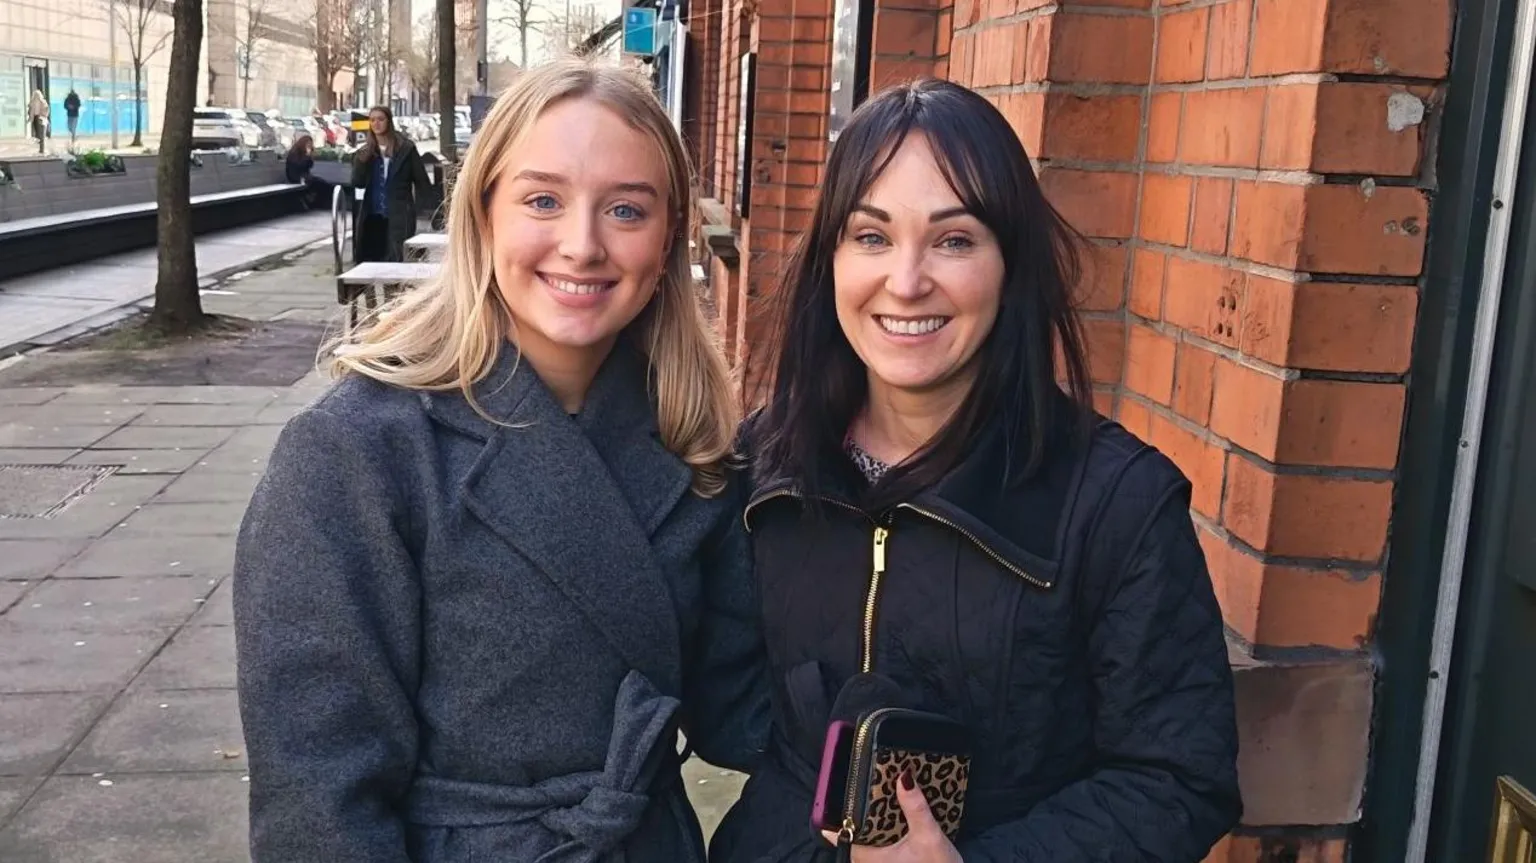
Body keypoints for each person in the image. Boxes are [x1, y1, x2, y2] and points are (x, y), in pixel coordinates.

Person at [233, 58, 768, 862]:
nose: (582, 245)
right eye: (543, 200)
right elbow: (317, 801)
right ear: (483, 215)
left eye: (626, 209)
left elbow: (742, 712)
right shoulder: (356, 453)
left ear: (666, 242)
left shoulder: (694, 446)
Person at [710, 78, 1242, 862]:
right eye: (871, 236)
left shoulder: (1117, 503)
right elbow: (723, 698)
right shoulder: (767, 463)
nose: (906, 281)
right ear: (830, 259)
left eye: (954, 240)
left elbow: (1178, 780)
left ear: (1009, 264)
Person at [350, 105, 432, 263]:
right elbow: (357, 183)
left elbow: (422, 181)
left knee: (396, 260)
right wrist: (360, 161)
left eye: (380, 119)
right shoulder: (366, 152)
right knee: (372, 263)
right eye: (372, 120)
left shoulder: (406, 149)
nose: (376, 123)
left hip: (399, 215)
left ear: (389, 121)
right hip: (373, 216)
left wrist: (422, 211)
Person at [283, 134, 332, 208]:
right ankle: (313, 203)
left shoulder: (304, 153)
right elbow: (299, 166)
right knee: (319, 184)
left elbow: (309, 166)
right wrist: (307, 156)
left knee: (323, 184)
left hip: (304, 176)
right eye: (308, 144)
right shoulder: (294, 153)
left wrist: (309, 156)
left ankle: (317, 203)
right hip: (295, 177)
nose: (310, 146)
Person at [26, 90, 48, 155]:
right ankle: (41, 149)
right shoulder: (37, 102)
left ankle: (41, 149)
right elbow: (30, 111)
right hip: (38, 118)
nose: (36, 96)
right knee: (40, 135)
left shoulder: (40, 102)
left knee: (40, 135)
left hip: (39, 118)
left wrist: (30, 119)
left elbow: (46, 110)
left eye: (37, 95)